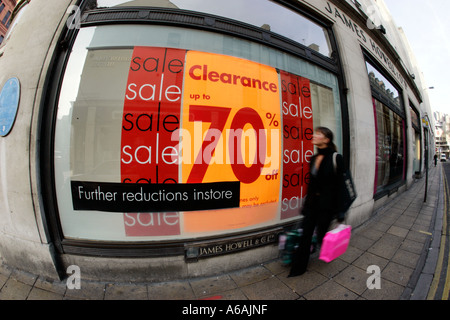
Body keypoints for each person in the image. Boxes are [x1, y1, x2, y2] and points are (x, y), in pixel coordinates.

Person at [288, 127, 346, 277]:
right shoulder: (313, 158)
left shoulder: (336, 158)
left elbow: (341, 186)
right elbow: (312, 184)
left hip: (327, 205)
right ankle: (298, 268)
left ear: (326, 140)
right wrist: (306, 204)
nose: (314, 135)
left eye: (318, 134)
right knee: (305, 234)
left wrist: (341, 211)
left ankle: (323, 247)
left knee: (322, 234)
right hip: (313, 203)